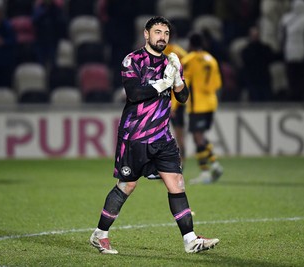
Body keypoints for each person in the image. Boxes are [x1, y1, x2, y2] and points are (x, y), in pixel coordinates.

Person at [89, 16, 219, 254]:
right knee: (127, 186)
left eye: (166, 33)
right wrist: (162, 83)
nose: (162, 37)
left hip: (162, 137)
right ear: (146, 34)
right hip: (135, 135)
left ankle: (190, 240)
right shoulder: (133, 60)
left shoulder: (172, 61)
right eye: (157, 32)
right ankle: (100, 234)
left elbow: (182, 97)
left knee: (177, 184)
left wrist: (177, 80)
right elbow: (134, 93)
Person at [181, 32, 223, 185]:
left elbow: (182, 85)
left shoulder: (189, 60)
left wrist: (173, 104)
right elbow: (217, 84)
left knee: (198, 138)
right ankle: (215, 164)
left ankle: (205, 172)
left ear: (190, 45)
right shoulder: (211, 59)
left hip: (197, 105)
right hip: (211, 103)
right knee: (200, 136)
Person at [164, 34, 188, 165]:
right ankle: (179, 162)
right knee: (178, 133)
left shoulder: (167, 53)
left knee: (174, 133)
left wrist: (172, 105)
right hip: (177, 98)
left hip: (172, 100)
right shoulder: (180, 52)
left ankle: (178, 163)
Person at [241, 26, 276, 102]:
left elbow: (271, 59)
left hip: (264, 79)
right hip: (252, 81)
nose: (255, 37)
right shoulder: (246, 51)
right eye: (253, 35)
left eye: (256, 35)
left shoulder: (265, 49)